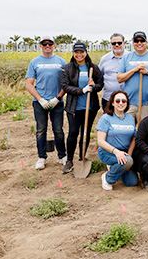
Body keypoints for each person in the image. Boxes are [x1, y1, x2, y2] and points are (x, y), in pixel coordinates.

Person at [60, 42, 104, 174]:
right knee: (73, 132)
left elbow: (100, 84)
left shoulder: (93, 68)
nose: (79, 55)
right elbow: (65, 86)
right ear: (73, 53)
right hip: (74, 107)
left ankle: (82, 157)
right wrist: (82, 90)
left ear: (86, 53)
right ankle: (69, 160)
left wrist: (93, 86)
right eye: (76, 52)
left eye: (81, 52)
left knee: (85, 132)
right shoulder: (67, 69)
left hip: (90, 107)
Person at [25, 36, 67, 170]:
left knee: (58, 130)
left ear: (54, 45)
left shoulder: (61, 61)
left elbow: (65, 83)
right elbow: (29, 84)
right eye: (44, 44)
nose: (47, 46)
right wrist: (40, 99)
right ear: (40, 46)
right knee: (41, 130)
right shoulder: (34, 62)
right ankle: (42, 157)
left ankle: (62, 156)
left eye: (50, 43)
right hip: (40, 102)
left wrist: (57, 98)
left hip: (57, 102)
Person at [117, 31, 148, 122]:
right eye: (136, 41)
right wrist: (134, 70)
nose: (139, 43)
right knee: (128, 131)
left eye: (142, 41)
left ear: (146, 42)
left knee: (144, 132)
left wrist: (147, 72)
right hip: (129, 102)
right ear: (133, 43)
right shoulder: (127, 57)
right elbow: (119, 78)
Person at [96, 90, 138, 190]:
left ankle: (116, 167)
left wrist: (129, 158)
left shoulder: (130, 118)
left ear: (127, 103)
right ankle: (107, 178)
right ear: (112, 103)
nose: (120, 103)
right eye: (117, 101)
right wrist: (116, 152)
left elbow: (133, 139)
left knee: (132, 182)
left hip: (124, 154)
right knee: (126, 161)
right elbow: (100, 141)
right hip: (108, 152)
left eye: (124, 101)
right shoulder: (106, 118)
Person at [98, 33, 129, 110]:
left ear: (124, 43)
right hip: (108, 98)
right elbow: (99, 76)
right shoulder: (104, 59)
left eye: (119, 43)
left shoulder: (131, 57)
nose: (117, 45)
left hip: (127, 99)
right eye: (114, 43)